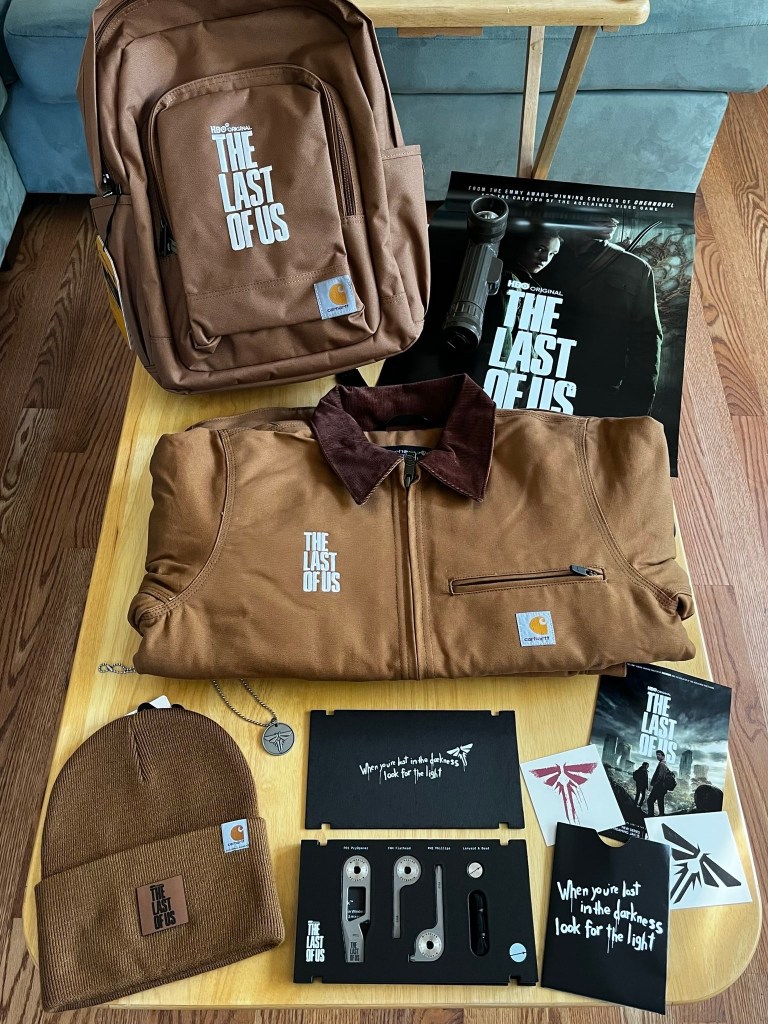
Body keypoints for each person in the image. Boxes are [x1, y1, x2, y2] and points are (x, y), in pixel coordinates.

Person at [537, 213, 662, 417]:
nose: (614, 219)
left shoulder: (635, 268)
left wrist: (633, 410)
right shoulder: (541, 254)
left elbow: (647, 342)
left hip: (597, 393)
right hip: (537, 381)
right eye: (603, 210)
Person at [646, 749, 674, 817]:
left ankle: (650, 815)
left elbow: (660, 776)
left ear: (663, 756)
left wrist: (655, 784)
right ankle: (661, 814)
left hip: (659, 786)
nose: (657, 756)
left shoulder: (661, 764)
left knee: (650, 801)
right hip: (663, 788)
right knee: (660, 801)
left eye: (659, 755)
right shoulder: (665, 764)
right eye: (657, 755)